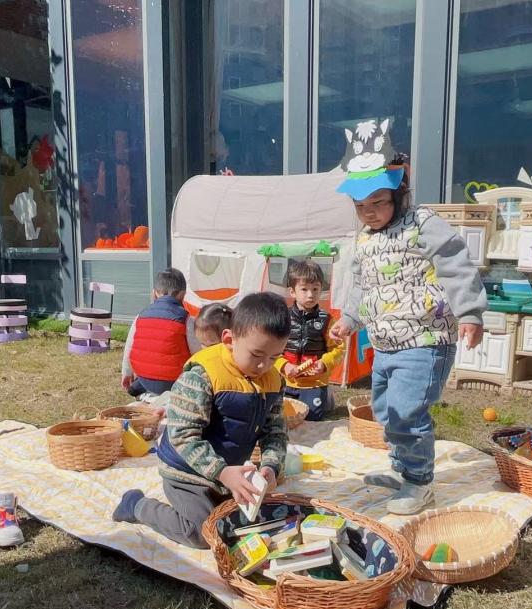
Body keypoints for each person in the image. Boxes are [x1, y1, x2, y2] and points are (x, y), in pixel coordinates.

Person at [329, 118, 487, 515]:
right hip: (385, 345)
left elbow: (455, 264)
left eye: (377, 203)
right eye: (360, 206)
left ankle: (420, 483)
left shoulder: (422, 224)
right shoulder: (366, 238)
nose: (368, 213)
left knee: (406, 412)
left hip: (424, 340)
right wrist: (349, 319)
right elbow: (362, 285)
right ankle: (403, 471)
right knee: (386, 413)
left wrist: (470, 313)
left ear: (399, 192)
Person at [112, 292, 290, 548]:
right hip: (186, 473)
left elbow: (275, 432)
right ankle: (137, 505)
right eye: (257, 354)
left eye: (274, 357)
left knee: (249, 523)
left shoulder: (274, 380)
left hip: (227, 475)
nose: (264, 366)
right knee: (202, 533)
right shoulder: (203, 375)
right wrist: (222, 472)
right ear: (229, 339)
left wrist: (271, 467)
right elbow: (183, 436)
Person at [275, 260, 343, 420]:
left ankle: (325, 398)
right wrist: (283, 365)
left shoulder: (327, 320)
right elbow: (271, 349)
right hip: (285, 381)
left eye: (315, 289)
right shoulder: (283, 318)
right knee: (283, 419)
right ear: (292, 292)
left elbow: (339, 349)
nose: (310, 295)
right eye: (304, 289)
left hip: (315, 383)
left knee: (312, 419)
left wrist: (324, 364)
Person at [121, 268, 200, 397]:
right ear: (183, 294)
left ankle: (140, 389)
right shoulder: (186, 319)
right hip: (174, 381)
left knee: (147, 379)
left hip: (144, 377)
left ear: (155, 293)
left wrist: (126, 373)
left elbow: (129, 348)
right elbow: (196, 352)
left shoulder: (141, 316)